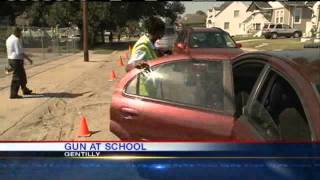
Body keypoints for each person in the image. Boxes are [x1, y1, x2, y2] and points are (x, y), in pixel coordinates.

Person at [6, 27, 33, 99]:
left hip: (11, 59)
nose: (21, 33)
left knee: (22, 76)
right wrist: (29, 59)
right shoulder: (16, 40)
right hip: (16, 60)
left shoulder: (9, 38)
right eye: (20, 32)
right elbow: (19, 53)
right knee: (17, 77)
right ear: (17, 32)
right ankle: (13, 94)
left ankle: (25, 89)